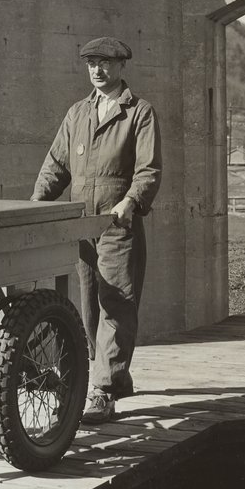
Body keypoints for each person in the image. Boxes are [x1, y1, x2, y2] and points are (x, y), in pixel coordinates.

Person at [31, 37, 161, 423]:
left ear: (122, 66)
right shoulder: (77, 114)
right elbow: (56, 164)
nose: (97, 69)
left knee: (116, 306)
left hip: (117, 226)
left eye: (105, 62)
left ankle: (103, 389)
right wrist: (36, 204)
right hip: (82, 227)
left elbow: (149, 170)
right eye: (91, 63)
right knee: (88, 311)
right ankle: (113, 375)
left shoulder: (139, 113)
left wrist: (131, 202)